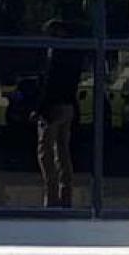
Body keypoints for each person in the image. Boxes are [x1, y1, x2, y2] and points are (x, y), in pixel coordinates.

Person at [34, 18, 87, 208]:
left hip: (53, 107)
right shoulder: (73, 53)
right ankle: (66, 194)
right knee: (63, 151)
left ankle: (51, 196)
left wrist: (39, 109)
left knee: (45, 153)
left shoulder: (55, 54)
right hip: (68, 106)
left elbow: (49, 83)